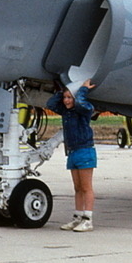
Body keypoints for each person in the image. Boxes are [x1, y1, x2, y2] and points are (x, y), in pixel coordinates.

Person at [47, 80, 97, 232]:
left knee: (86, 187)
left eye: (70, 97)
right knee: (77, 188)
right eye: (65, 97)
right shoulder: (66, 112)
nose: (66, 100)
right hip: (73, 151)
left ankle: (88, 220)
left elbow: (82, 103)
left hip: (85, 151)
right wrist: (62, 89)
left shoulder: (84, 109)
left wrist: (81, 90)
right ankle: (77, 217)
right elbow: (51, 104)